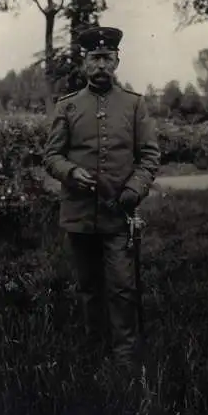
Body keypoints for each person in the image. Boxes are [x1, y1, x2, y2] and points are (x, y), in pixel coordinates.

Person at [43, 26, 160, 372]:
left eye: (107, 58)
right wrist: (70, 172)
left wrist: (132, 191)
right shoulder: (68, 107)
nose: (101, 66)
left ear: (117, 61)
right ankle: (93, 351)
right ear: (84, 62)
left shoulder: (135, 105)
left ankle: (124, 357)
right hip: (79, 213)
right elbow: (51, 156)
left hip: (118, 213)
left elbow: (150, 156)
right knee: (88, 286)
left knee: (123, 286)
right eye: (94, 58)